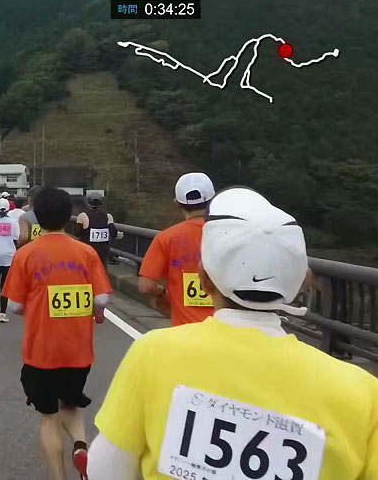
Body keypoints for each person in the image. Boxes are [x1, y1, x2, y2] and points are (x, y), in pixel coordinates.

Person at [89, 187, 378, 480]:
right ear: (302, 283)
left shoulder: (153, 354)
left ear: (204, 279)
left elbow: (104, 471)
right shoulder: (364, 394)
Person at [2, 187, 112, 480]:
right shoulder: (86, 252)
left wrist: (38, 304)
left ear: (37, 215)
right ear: (68, 216)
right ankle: (81, 446)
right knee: (71, 404)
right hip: (79, 350)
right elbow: (101, 299)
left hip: (41, 351)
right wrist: (91, 311)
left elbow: (14, 306)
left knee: (49, 417)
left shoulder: (26, 254)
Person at [137, 172, 216, 326]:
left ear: (177, 203)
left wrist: (162, 294)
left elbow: (146, 286)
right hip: (224, 331)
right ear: (213, 200)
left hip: (184, 330)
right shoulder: (230, 234)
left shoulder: (166, 238)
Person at [74, 193, 118, 268]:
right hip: (103, 252)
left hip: (88, 250)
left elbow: (77, 233)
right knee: (102, 270)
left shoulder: (83, 216)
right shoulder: (108, 216)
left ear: (88, 203)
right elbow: (114, 232)